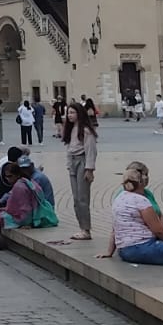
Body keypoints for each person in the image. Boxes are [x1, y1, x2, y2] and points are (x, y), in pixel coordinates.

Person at [98, 165, 163, 273]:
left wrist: (109, 252)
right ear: (141, 183)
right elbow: (159, 231)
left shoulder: (119, 199)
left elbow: (115, 230)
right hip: (142, 247)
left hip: (124, 250)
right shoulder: (141, 201)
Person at [61, 101, 97, 240]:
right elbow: (69, 149)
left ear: (79, 113)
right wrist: (69, 165)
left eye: (72, 112)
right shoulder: (70, 130)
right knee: (76, 198)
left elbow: (91, 151)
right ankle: (81, 227)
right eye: (68, 112)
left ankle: (86, 229)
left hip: (83, 162)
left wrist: (89, 169)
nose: (70, 115)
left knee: (83, 198)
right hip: (73, 163)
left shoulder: (86, 130)